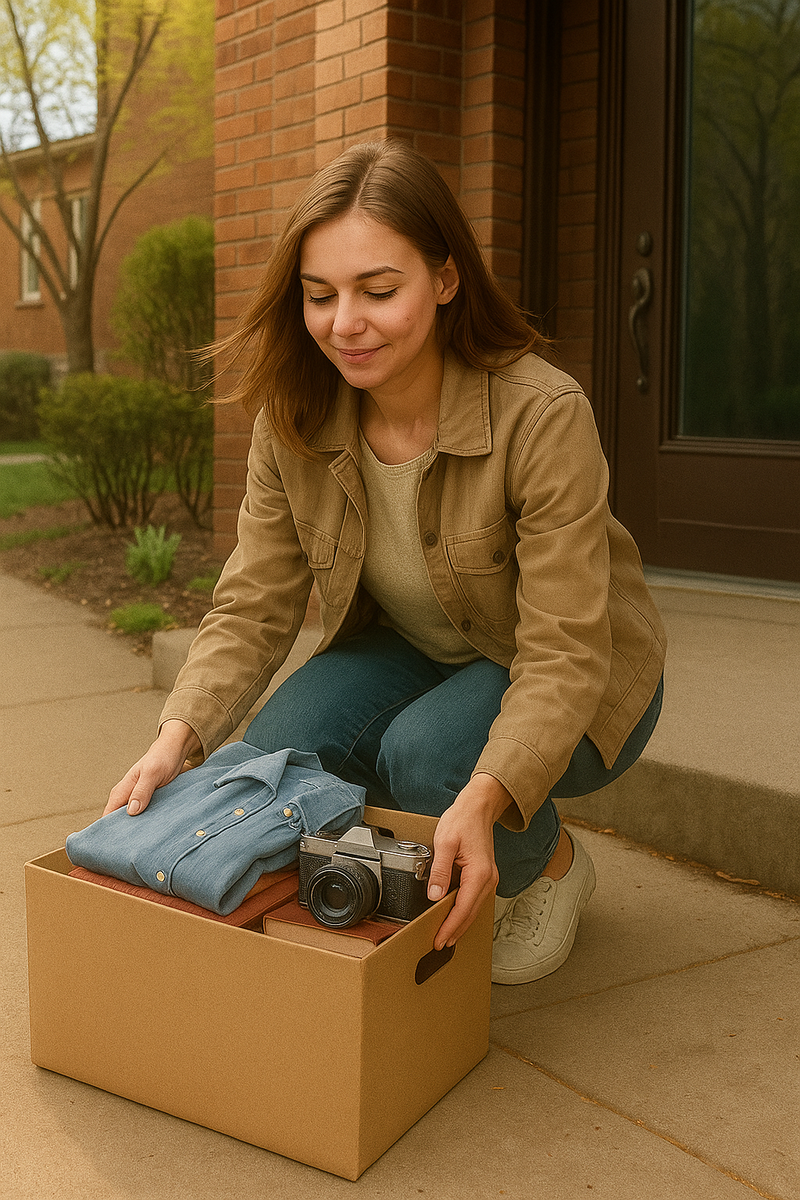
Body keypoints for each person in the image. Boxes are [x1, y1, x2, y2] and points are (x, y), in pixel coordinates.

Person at [106, 139, 666, 985]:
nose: (345, 323)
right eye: (320, 295)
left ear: (444, 280)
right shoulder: (292, 419)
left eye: (378, 290)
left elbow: (564, 648)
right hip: (419, 643)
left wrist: (482, 797)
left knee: (430, 756)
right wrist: (174, 741)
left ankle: (549, 865)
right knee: (285, 747)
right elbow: (254, 601)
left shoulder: (542, 414)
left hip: (580, 667)